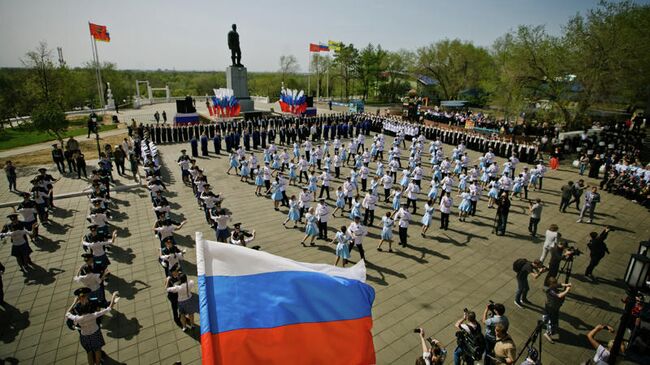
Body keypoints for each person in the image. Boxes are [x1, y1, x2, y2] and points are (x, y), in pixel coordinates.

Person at [65, 290, 119, 365]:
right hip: (94, 333)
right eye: (81, 297)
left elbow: (67, 314)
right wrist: (113, 297)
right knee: (96, 351)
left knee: (90, 352)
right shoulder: (92, 314)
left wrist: (74, 303)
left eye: (84, 296)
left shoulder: (78, 313)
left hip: (84, 336)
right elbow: (108, 308)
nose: (83, 298)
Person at [543, 276, 572, 343]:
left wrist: (566, 285)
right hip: (551, 308)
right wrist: (567, 290)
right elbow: (559, 296)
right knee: (553, 321)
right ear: (551, 284)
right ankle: (547, 333)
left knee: (552, 319)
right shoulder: (550, 290)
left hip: (553, 307)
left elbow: (560, 284)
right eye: (554, 284)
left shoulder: (553, 286)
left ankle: (546, 321)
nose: (556, 284)